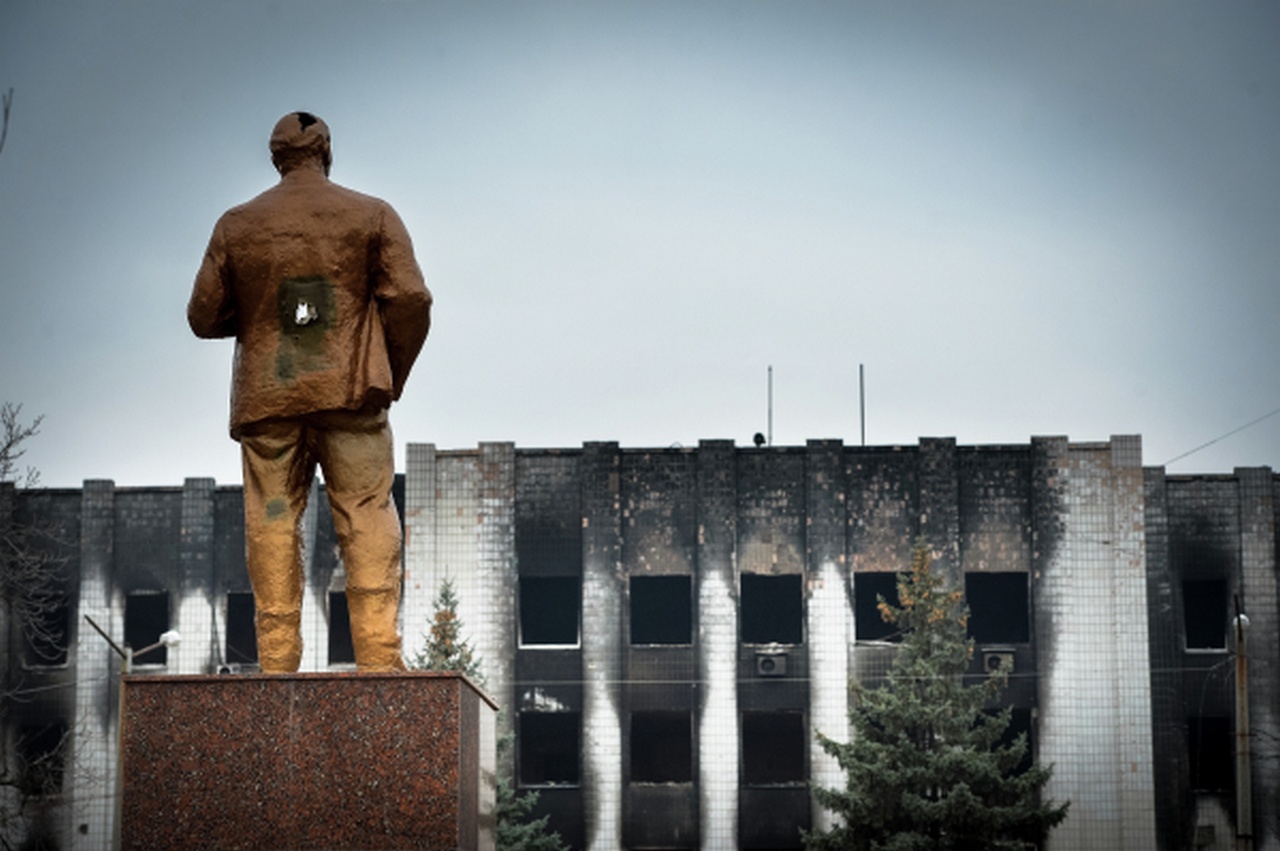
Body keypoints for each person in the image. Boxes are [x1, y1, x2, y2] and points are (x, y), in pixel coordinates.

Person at [188, 112, 432, 673]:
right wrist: (388, 368)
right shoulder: (371, 215)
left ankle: (276, 662)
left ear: (277, 158)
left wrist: (262, 315)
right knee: (367, 511)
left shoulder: (236, 225)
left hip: (268, 399)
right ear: (326, 151)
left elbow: (203, 316)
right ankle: (378, 656)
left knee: (272, 519)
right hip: (351, 395)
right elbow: (412, 298)